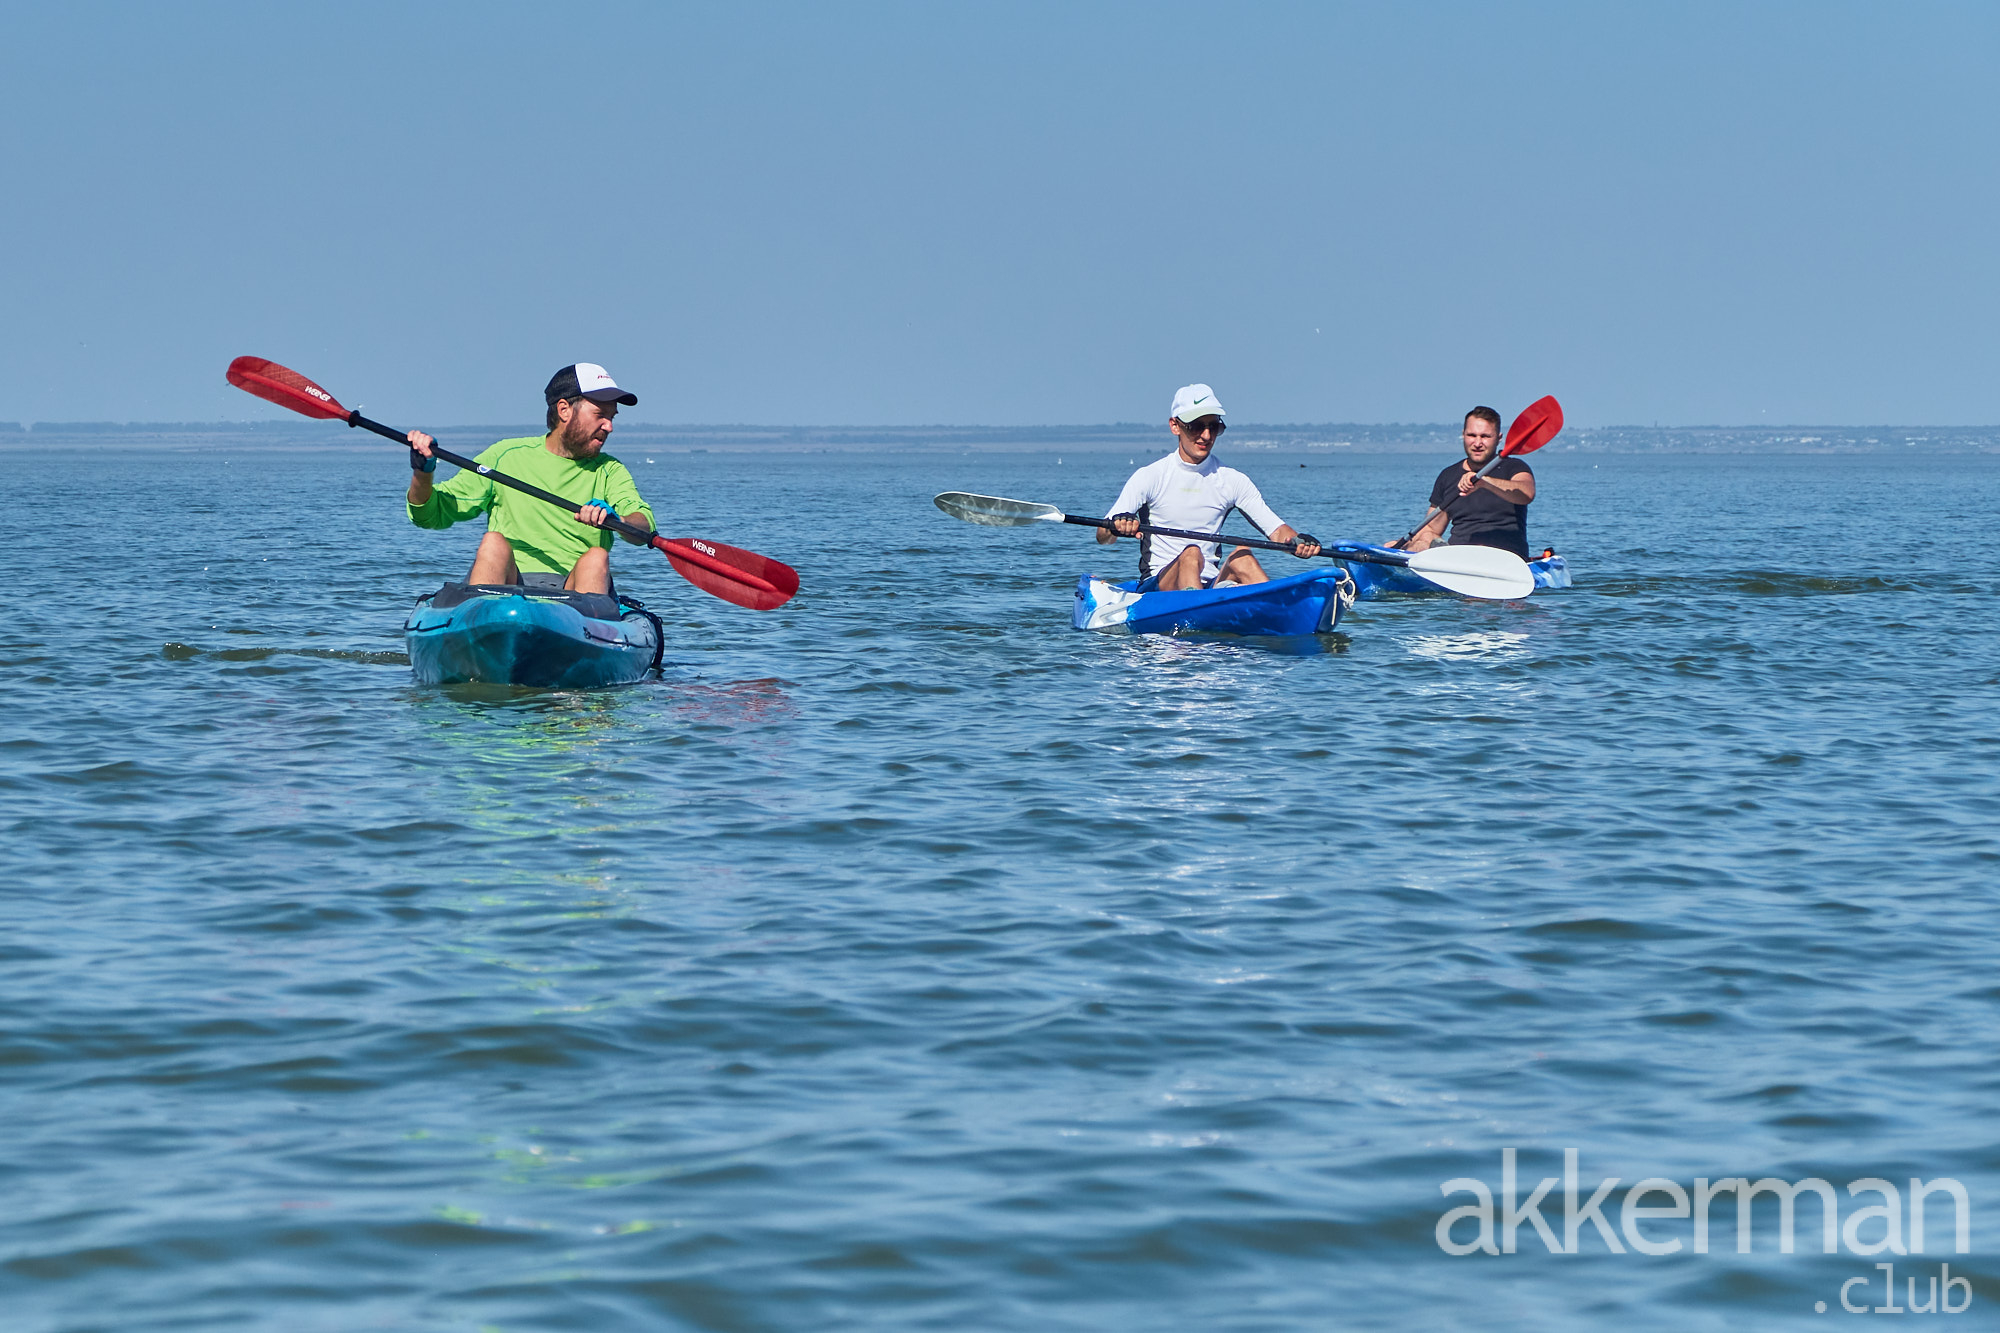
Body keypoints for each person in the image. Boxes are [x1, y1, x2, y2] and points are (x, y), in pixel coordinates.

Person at [403, 363, 657, 595]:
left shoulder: (610, 471)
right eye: (600, 415)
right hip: (509, 587)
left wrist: (618, 520)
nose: (609, 426)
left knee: (596, 557)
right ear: (564, 410)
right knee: (493, 543)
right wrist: (422, 473)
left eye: (611, 418)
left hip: (575, 595)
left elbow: (643, 525)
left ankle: (588, 637)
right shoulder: (505, 456)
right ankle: (485, 625)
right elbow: (429, 514)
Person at [1098, 383, 1321, 589]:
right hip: (1158, 587)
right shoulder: (1150, 476)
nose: (1206, 436)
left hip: (1208, 584)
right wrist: (1117, 526)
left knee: (1243, 555)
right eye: (1196, 426)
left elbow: (1277, 530)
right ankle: (1193, 618)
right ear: (1175, 426)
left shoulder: (1233, 480)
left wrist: (1298, 543)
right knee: (1192, 554)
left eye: (1213, 426)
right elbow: (1102, 535)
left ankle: (1278, 614)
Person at [1399, 406, 1536, 558]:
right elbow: (1430, 528)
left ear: (1498, 438)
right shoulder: (1448, 475)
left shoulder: (1515, 468)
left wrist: (1484, 481)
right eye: (1472, 435)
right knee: (1422, 539)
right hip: (1460, 558)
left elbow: (1526, 493)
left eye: (1485, 436)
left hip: (1506, 558)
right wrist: (1401, 547)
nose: (1477, 443)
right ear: (1463, 435)